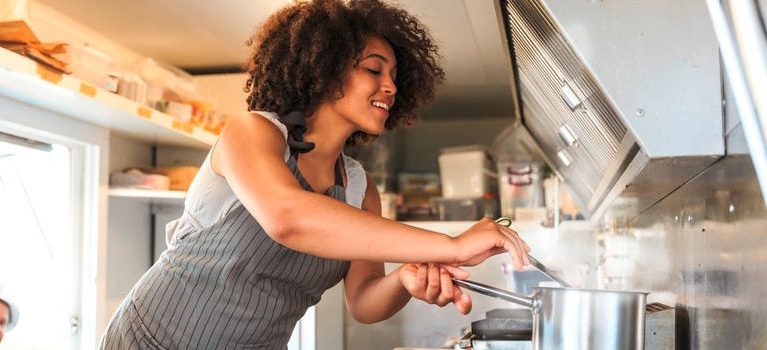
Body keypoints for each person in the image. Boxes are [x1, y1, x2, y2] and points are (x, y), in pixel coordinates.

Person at [99, 0, 530, 348]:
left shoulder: (360, 188)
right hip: (149, 339)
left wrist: (404, 278)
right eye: (374, 69)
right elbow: (290, 218)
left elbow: (363, 301)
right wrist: (452, 247)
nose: (392, 88)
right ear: (326, 68)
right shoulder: (253, 133)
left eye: (396, 77)